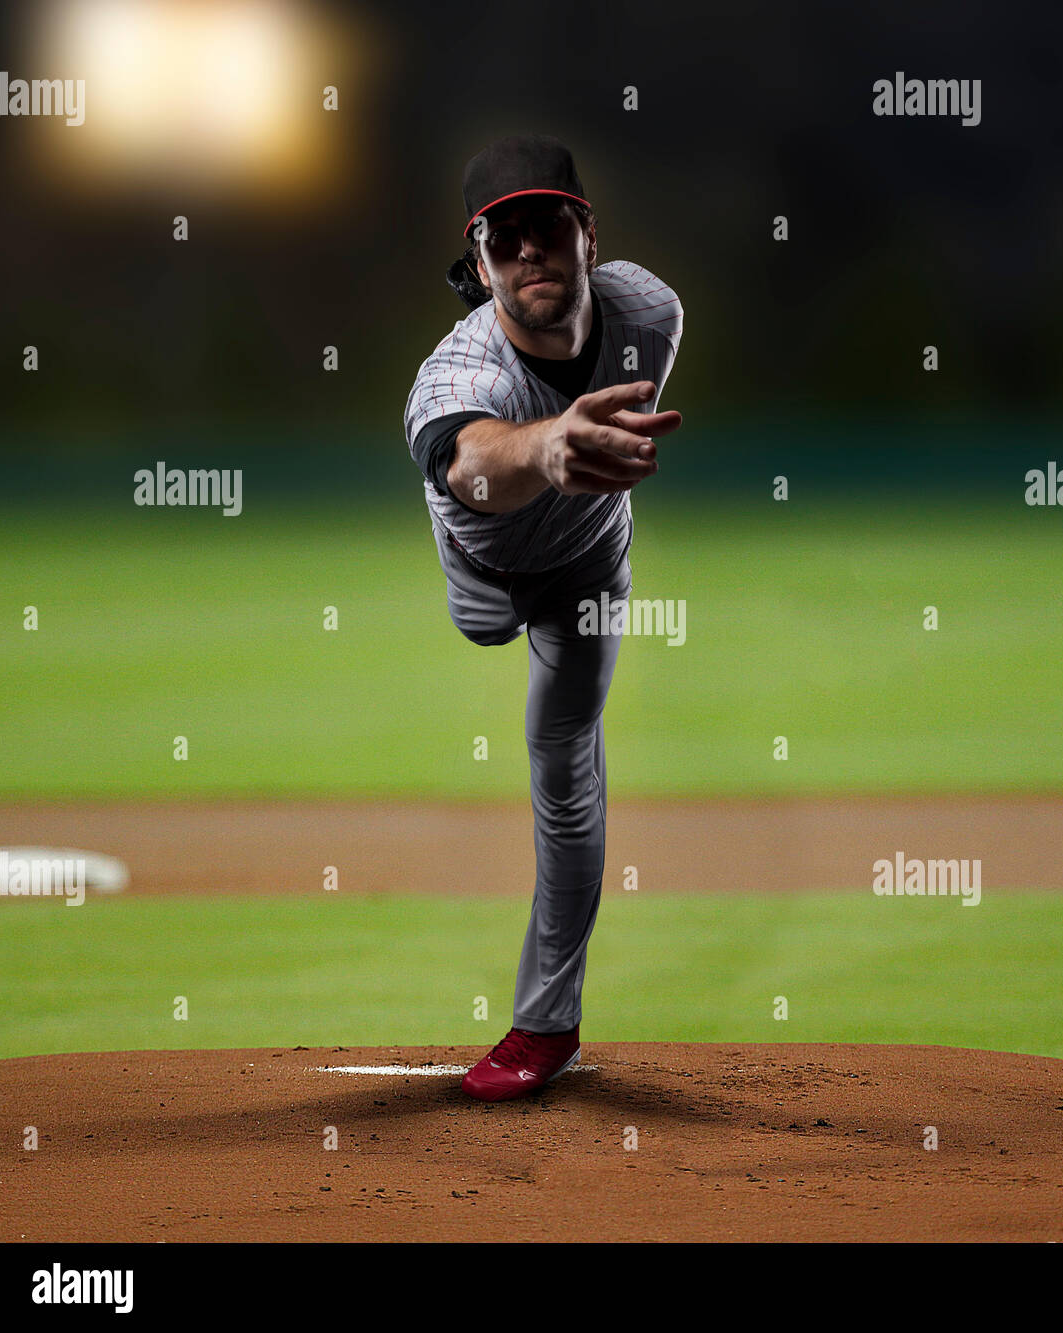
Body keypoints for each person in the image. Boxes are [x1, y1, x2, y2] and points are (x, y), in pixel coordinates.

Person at [404, 134, 684, 1101]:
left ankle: (545, 1024)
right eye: (505, 236)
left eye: (548, 227)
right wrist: (551, 449)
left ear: (587, 234)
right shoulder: (454, 379)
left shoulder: (651, 310)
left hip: (589, 562)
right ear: (478, 263)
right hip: (484, 566)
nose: (530, 251)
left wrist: (580, 469)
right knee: (482, 626)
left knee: (564, 764)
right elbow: (473, 462)